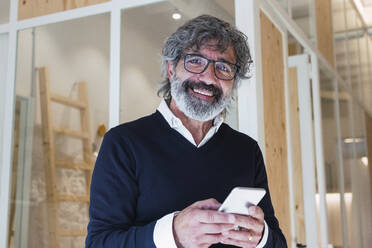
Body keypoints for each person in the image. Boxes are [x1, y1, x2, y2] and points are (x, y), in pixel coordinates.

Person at [86, 15, 287, 248]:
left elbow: (278, 243)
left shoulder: (246, 150)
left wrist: (261, 237)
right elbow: (99, 243)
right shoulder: (123, 143)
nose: (209, 78)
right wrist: (172, 234)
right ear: (171, 69)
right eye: (195, 61)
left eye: (223, 67)